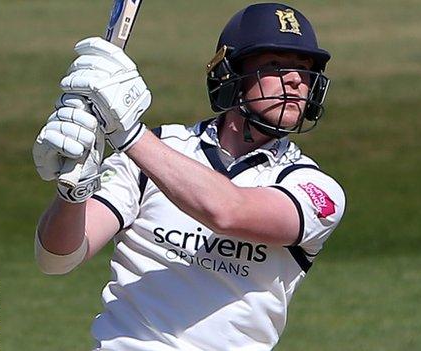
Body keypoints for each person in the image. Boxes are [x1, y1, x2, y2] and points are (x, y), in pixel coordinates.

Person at [31, 3, 345, 350]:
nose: (295, 79)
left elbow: (228, 212)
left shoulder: (316, 190)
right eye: (275, 65)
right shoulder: (156, 151)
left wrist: (129, 134)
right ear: (230, 74)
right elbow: (56, 259)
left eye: (304, 68)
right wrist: (72, 192)